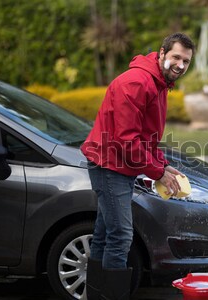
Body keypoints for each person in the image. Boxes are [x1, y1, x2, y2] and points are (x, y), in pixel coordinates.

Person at [80, 32, 195, 300]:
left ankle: (96, 295)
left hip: (121, 165)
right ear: (162, 53)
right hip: (111, 166)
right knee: (120, 236)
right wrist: (157, 172)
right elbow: (126, 140)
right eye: (176, 57)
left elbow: (145, 137)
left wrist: (163, 165)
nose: (180, 65)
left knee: (104, 234)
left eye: (186, 61)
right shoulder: (136, 83)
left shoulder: (159, 82)